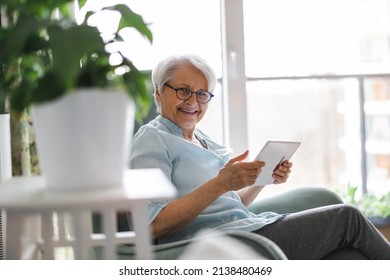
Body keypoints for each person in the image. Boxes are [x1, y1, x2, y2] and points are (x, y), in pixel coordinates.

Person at [129, 54, 390, 259]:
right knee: (348, 219)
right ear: (158, 92)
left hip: (247, 228)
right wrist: (221, 183)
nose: (193, 102)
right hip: (218, 244)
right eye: (183, 90)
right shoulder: (152, 139)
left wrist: (261, 179)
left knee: (348, 257)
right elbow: (151, 224)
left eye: (202, 94)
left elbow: (230, 207)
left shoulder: (202, 140)